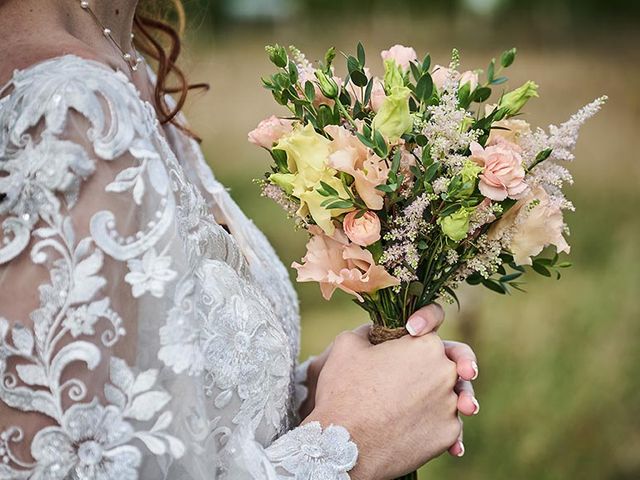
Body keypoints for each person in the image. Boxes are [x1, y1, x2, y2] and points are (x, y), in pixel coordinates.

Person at [0, 1, 480, 478]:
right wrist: (347, 446)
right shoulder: (63, 111)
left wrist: (321, 393)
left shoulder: (133, 74)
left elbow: (166, 422)